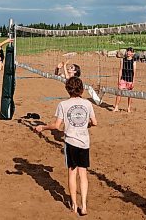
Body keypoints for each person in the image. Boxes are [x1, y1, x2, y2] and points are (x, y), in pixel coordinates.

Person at [34, 77, 97, 216]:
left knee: (72, 173)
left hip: (71, 143)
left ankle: (74, 205)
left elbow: (56, 126)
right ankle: (84, 206)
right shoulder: (87, 104)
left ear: (67, 89)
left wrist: (42, 127)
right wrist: (86, 124)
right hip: (84, 142)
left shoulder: (63, 104)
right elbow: (95, 122)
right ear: (82, 89)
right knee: (83, 173)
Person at [114, 47, 136, 112]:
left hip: (130, 79)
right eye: (127, 51)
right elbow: (120, 70)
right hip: (123, 78)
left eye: (130, 52)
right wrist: (119, 80)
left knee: (129, 94)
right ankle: (116, 107)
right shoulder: (122, 60)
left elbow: (135, 72)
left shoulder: (134, 61)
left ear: (132, 53)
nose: (128, 53)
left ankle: (128, 107)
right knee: (119, 92)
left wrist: (133, 82)